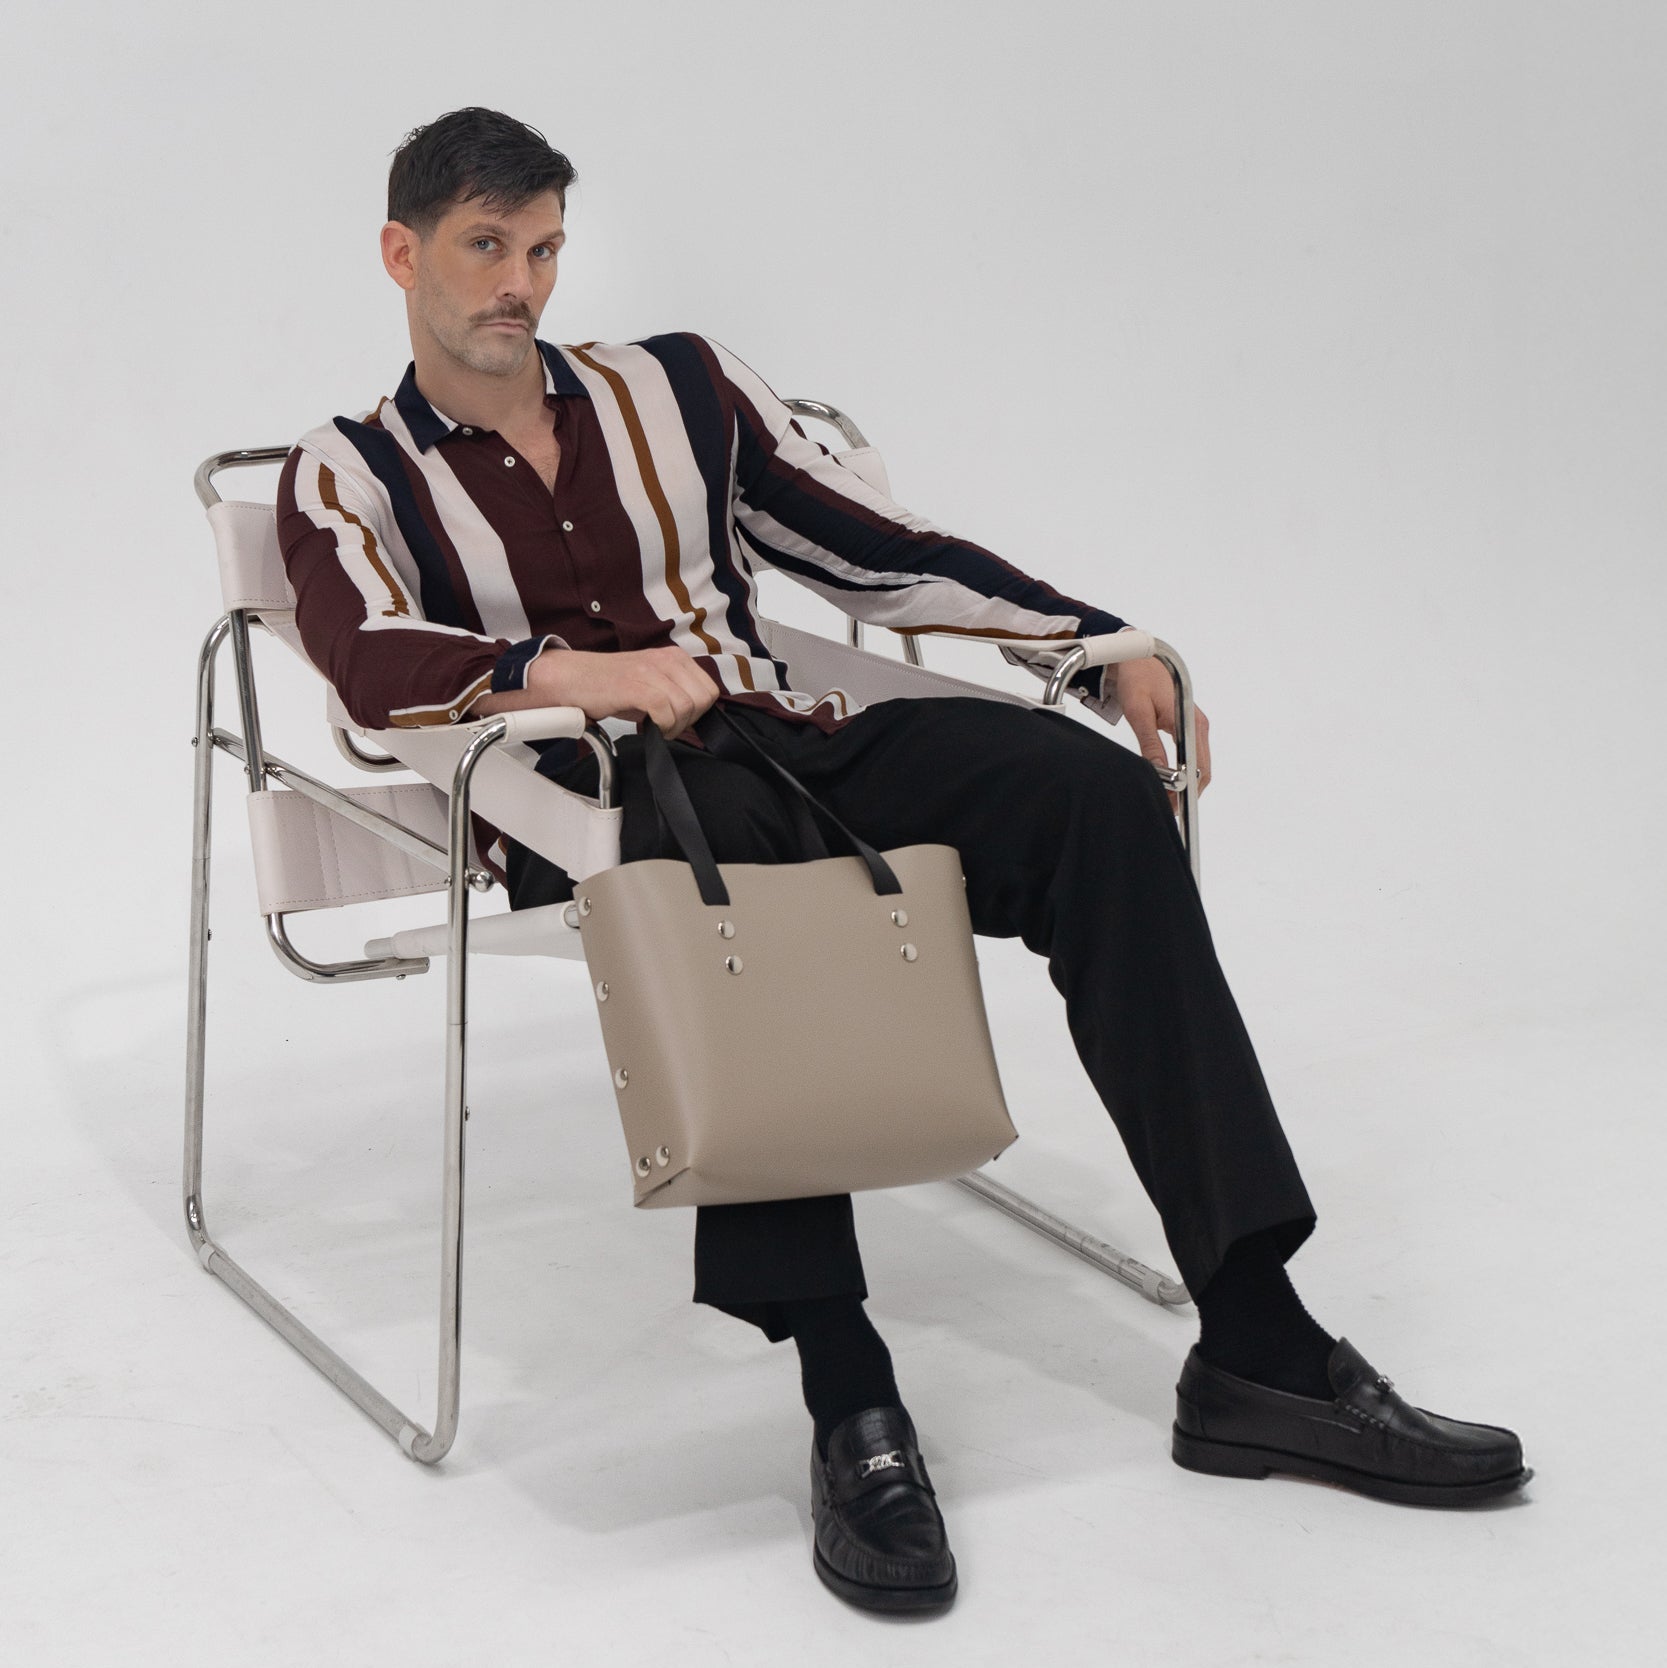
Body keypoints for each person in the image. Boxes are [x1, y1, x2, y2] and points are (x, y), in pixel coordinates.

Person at [276, 107, 1530, 1615]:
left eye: (542, 248)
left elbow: (872, 541)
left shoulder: (675, 385)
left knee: (1091, 801)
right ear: (403, 253)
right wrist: (570, 673)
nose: (519, 285)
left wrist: (1090, 639)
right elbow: (363, 656)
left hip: (791, 737)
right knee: (729, 837)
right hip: (592, 814)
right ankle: (847, 1390)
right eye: (484, 248)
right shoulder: (345, 470)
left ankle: (1257, 1345)